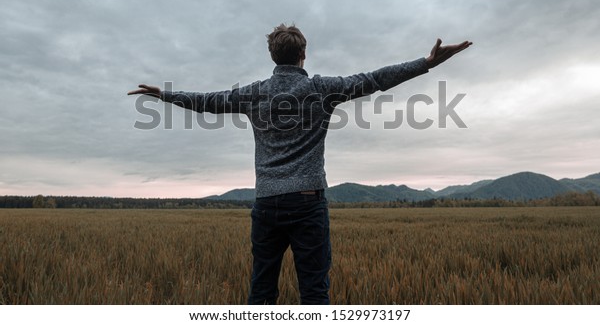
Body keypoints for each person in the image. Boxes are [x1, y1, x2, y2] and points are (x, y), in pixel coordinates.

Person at [128, 24, 471, 304]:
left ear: (272, 56)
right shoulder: (320, 89)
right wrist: (426, 62)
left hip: (266, 203)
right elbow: (375, 79)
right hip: (308, 201)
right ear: (303, 55)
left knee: (261, 291)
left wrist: (165, 94)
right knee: (314, 293)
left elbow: (208, 102)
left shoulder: (253, 93)